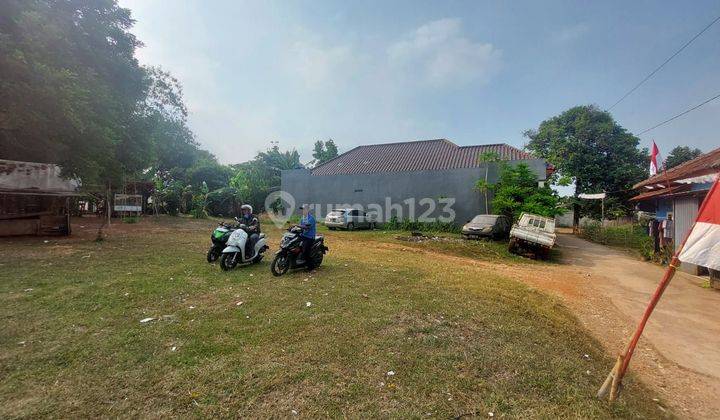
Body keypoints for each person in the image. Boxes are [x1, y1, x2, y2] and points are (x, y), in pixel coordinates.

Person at [298, 205, 316, 269]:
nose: (303, 211)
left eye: (304, 209)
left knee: (305, 251)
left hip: (309, 237)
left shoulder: (311, 218)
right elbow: (300, 226)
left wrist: (298, 225)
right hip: (303, 236)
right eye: (302, 209)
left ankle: (311, 267)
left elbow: (306, 227)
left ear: (308, 210)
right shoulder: (302, 218)